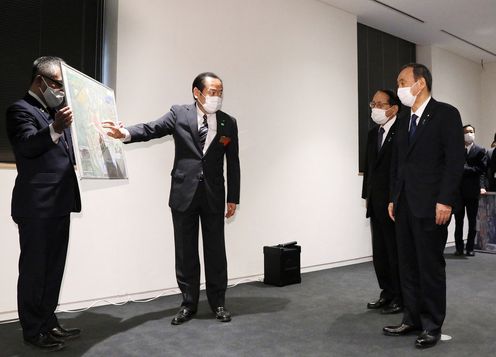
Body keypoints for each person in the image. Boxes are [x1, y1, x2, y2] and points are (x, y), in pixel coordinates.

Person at [104, 72, 240, 325]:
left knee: (215, 251)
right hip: (183, 194)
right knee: (185, 251)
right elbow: (151, 129)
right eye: (212, 91)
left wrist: (233, 197)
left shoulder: (228, 122)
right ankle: (188, 304)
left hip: (213, 195)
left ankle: (218, 302)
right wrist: (124, 133)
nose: (217, 97)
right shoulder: (179, 114)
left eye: (220, 92)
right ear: (196, 92)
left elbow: (233, 162)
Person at [384, 63, 464, 349]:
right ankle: (412, 318)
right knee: (407, 265)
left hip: (432, 206)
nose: (399, 87)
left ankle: (432, 325)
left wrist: (445, 200)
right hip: (404, 205)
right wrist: (394, 197)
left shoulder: (446, 114)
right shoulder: (404, 119)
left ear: (420, 84)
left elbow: (454, 162)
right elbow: (398, 164)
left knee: (429, 266)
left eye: (402, 81)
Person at [6, 56, 82, 351]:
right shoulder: (19, 110)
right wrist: (55, 128)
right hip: (36, 206)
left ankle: (49, 322)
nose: (61, 90)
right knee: (35, 270)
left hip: (60, 202)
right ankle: (32, 330)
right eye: (58, 84)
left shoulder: (54, 112)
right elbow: (26, 145)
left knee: (54, 268)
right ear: (40, 81)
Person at [362, 89, 402, 314]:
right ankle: (386, 292)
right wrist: (366, 197)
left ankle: (400, 295)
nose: (375, 109)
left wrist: (395, 198)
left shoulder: (403, 132)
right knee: (380, 252)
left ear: (393, 108)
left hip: (394, 204)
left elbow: (402, 169)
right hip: (375, 203)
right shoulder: (372, 134)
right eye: (373, 104)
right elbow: (369, 169)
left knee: (395, 251)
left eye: (380, 104)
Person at [454, 125, 487, 256]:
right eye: (466, 132)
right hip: (458, 192)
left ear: (474, 133)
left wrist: (465, 169)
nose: (469, 134)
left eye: (471, 132)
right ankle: (459, 248)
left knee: (472, 221)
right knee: (458, 221)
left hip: (472, 191)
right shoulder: (456, 150)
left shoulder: (480, 150)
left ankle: (470, 248)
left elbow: (481, 169)